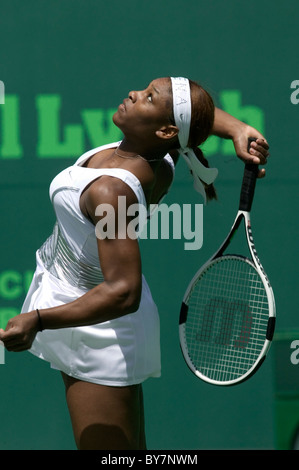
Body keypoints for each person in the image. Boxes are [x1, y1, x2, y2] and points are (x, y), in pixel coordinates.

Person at [0, 76, 269, 450]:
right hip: (77, 303)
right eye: (144, 90)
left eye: (147, 98)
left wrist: (40, 320)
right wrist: (238, 128)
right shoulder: (161, 151)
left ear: (164, 129)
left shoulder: (114, 191)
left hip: (98, 331)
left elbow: (124, 291)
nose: (133, 93)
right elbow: (190, 119)